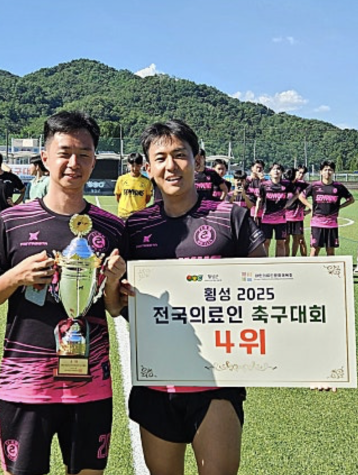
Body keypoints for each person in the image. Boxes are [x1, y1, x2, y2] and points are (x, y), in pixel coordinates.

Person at [0, 111, 126, 475]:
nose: (74, 163)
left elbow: (113, 307)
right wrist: (17, 276)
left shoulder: (112, 228)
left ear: (94, 160)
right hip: (26, 384)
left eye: (84, 154)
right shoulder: (12, 221)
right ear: (45, 158)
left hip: (90, 383)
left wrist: (113, 282)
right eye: (65, 153)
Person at [124, 119, 265, 475]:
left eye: (180, 155)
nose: (170, 166)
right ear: (149, 167)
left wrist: (314, 361)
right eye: (160, 158)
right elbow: (120, 305)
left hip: (216, 381)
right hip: (156, 381)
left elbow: (269, 293)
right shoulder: (135, 228)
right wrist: (114, 288)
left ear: (198, 161)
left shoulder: (231, 218)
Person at [298, 160, 355, 257]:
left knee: (330, 252)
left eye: (330, 170)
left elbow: (351, 199)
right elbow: (301, 196)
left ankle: (330, 268)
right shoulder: (314, 186)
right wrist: (310, 206)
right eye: (325, 170)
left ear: (333, 172)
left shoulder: (339, 187)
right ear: (321, 172)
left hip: (332, 224)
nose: (327, 172)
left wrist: (340, 207)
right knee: (314, 251)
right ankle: (312, 267)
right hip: (317, 223)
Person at [255, 163, 290, 257]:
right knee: (266, 242)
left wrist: (288, 204)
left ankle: (280, 263)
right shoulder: (264, 185)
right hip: (266, 219)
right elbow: (259, 199)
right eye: (273, 169)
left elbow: (297, 194)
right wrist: (256, 214)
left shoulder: (286, 184)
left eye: (278, 169)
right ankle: (266, 263)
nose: (276, 171)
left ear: (281, 172)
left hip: (281, 220)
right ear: (270, 172)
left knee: (281, 243)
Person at [114, 152, 152, 220]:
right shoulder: (121, 179)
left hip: (139, 215)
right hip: (123, 215)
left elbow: (147, 199)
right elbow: (118, 196)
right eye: (132, 166)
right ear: (128, 164)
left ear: (142, 165)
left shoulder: (146, 181)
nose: (135, 168)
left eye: (137, 166)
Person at [284, 167, 309, 257]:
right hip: (285, 217)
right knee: (285, 240)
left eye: (302, 173)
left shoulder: (303, 185)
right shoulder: (284, 184)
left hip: (297, 217)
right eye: (299, 172)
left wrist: (309, 210)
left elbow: (315, 193)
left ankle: (293, 258)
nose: (300, 175)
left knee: (298, 240)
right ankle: (286, 259)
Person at [245, 160, 265, 225]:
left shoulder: (264, 181)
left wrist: (262, 180)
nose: (258, 169)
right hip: (247, 210)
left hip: (259, 212)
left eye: (260, 168)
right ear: (252, 168)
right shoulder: (246, 180)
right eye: (257, 167)